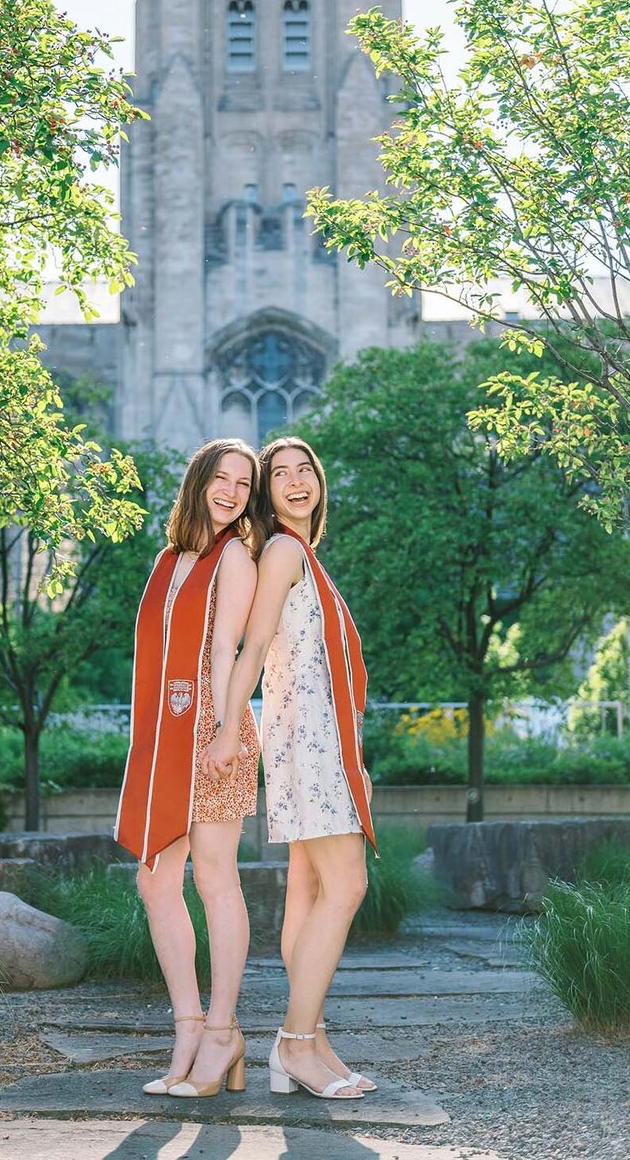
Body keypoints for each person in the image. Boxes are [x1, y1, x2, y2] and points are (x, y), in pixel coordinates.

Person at [202, 436, 378, 1100]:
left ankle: (309, 1041)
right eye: (281, 474)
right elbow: (252, 646)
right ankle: (296, 1043)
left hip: (317, 740)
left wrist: (356, 762)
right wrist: (225, 727)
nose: (298, 481)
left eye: (307, 470)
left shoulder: (306, 556)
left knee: (307, 887)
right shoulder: (280, 550)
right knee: (348, 884)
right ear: (268, 495)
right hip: (306, 742)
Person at [115, 438, 267, 1099]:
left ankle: (224, 1031)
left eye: (244, 482)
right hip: (162, 738)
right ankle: (188, 1025)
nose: (231, 491)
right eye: (222, 477)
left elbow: (228, 654)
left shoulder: (234, 557)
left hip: (212, 730)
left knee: (213, 876)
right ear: (199, 479)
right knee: (156, 882)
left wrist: (225, 732)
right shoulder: (167, 559)